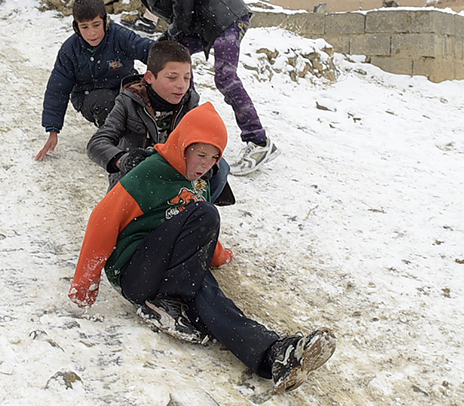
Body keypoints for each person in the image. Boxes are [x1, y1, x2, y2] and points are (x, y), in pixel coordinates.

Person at [68, 102, 335, 393]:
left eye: (213, 158)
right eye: (200, 154)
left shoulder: (200, 185)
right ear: (183, 146)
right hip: (136, 272)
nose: (205, 164)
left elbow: (198, 236)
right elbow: (103, 221)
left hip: (171, 275)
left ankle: (275, 355)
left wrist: (219, 255)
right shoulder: (151, 172)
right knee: (206, 216)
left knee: (211, 296)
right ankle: (165, 302)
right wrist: (84, 285)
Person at [106, 0, 276, 173]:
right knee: (174, 66)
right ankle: (188, 133)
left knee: (224, 77)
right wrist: (167, 40)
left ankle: (258, 141)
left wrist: (177, 30)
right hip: (207, 22)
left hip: (225, 16)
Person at [86, 40, 234, 206]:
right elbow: (97, 143)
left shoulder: (190, 103)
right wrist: (124, 160)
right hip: (135, 182)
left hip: (174, 182)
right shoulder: (129, 102)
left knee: (221, 168)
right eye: (172, 78)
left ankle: (195, 209)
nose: (181, 85)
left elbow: (206, 144)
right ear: (149, 77)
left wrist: (208, 166)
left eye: (187, 78)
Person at [35, 0, 152, 161]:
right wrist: (52, 130)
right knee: (107, 102)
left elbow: (150, 51)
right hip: (90, 97)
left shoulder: (120, 36)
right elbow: (57, 89)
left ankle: (151, 137)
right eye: (85, 27)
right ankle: (115, 142)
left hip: (124, 90)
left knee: (145, 96)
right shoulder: (70, 50)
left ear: (105, 21)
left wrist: (171, 63)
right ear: (76, 27)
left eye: (96, 25)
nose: (91, 33)